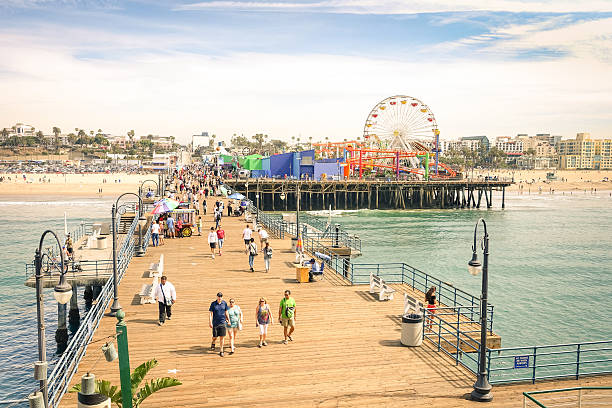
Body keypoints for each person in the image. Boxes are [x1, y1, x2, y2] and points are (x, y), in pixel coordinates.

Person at [209, 292, 230, 357]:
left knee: (222, 337)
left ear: (222, 297)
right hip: (215, 323)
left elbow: (226, 312)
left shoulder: (224, 303)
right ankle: (213, 342)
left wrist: (228, 320)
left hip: (222, 322)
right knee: (215, 337)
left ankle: (221, 350)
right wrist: (210, 322)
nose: (219, 297)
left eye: (220, 296)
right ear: (217, 297)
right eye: (218, 296)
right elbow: (210, 313)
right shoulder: (213, 304)